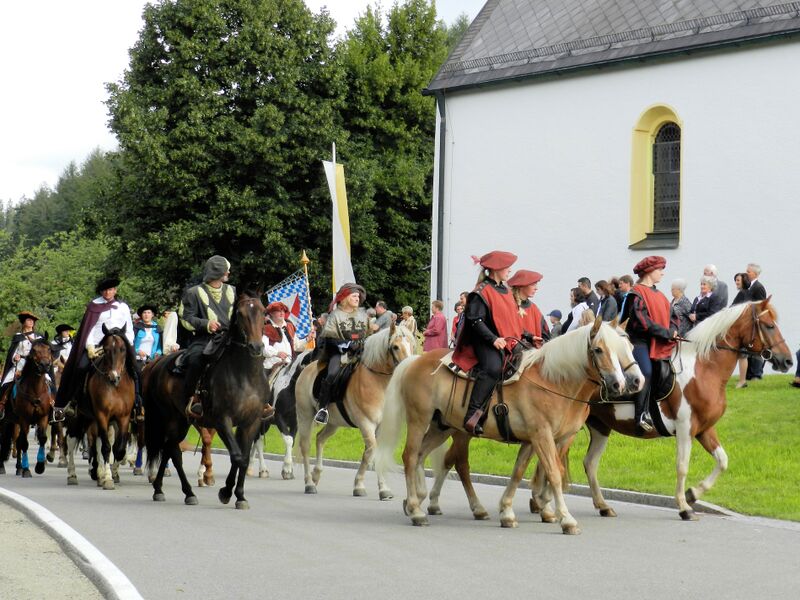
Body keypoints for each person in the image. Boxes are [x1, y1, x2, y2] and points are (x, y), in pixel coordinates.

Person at [452, 250, 522, 436]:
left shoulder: (505, 290)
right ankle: (473, 416)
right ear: (496, 269)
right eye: (507, 267)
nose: (509, 270)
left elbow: (512, 321)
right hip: (484, 341)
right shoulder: (480, 292)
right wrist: (494, 339)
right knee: (493, 368)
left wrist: (529, 337)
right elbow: (476, 321)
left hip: (505, 341)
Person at [54, 277, 137, 421]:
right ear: (101, 291)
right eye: (104, 290)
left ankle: (138, 403)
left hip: (120, 346)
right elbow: (88, 329)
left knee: (137, 368)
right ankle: (73, 402)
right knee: (80, 367)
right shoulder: (93, 305)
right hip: (98, 346)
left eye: (110, 289)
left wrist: (126, 344)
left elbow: (129, 327)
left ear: (115, 290)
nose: (107, 292)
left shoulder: (123, 306)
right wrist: (90, 346)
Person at [175, 255, 237, 419]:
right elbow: (185, 318)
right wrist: (206, 324)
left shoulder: (233, 291)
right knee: (196, 359)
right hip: (204, 339)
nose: (229, 272)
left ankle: (259, 399)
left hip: (230, 340)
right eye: (226, 269)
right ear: (218, 272)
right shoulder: (193, 293)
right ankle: (193, 398)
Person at [620, 256, 677, 433]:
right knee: (645, 372)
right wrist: (666, 333)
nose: (662, 273)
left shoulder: (661, 295)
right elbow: (641, 322)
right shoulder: (635, 293)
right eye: (659, 269)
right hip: (639, 341)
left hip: (660, 340)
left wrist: (673, 330)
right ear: (650, 271)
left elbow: (673, 316)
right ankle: (641, 416)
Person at [314, 283, 369, 425]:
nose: (357, 299)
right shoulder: (335, 315)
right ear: (345, 298)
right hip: (340, 353)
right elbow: (331, 338)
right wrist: (349, 344)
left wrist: (366, 342)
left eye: (358, 296)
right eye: (354, 296)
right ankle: (323, 409)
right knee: (331, 374)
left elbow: (368, 333)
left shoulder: (362, 315)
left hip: (362, 351)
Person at [0, 312, 51, 421]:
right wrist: (15, 357)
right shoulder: (18, 337)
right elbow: (13, 352)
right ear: (24, 323)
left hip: (36, 365)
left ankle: (54, 406)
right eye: (29, 320)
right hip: (20, 364)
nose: (31, 322)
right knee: (5, 383)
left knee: (50, 381)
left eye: (33, 320)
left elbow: (44, 349)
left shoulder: (38, 336)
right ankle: (3, 406)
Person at [508, 269, 549, 348]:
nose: (536, 288)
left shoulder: (534, 308)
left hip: (533, 354)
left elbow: (545, 334)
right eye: (533, 284)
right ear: (522, 286)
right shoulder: (508, 305)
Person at [745, 263, 766, 380]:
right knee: (749, 348)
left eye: (748, 272)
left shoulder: (759, 287)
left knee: (756, 349)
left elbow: (761, 306)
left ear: (755, 274)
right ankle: (749, 374)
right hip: (748, 323)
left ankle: (756, 374)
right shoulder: (748, 287)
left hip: (755, 323)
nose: (746, 273)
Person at [731, 273, 752, 389]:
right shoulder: (745, 293)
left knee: (742, 355)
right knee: (741, 355)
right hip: (742, 328)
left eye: (738, 280)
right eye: (736, 280)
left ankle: (742, 381)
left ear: (744, 281)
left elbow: (736, 310)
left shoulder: (743, 294)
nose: (736, 282)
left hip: (741, 329)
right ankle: (742, 380)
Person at [262, 301, 295, 371]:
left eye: (283, 310)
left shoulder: (289, 326)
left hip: (288, 367)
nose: (282, 313)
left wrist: (308, 339)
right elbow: (264, 349)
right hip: (271, 367)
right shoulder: (266, 328)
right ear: (271, 313)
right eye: (278, 311)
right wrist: (277, 353)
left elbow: (296, 345)